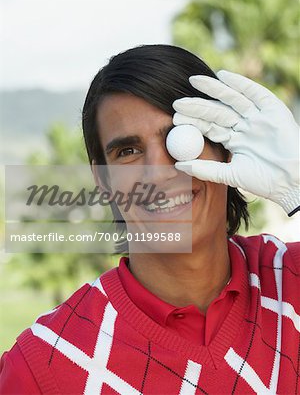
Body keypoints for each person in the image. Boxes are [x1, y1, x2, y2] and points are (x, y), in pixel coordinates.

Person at [0, 44, 299, 394]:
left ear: (226, 148)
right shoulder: (42, 363)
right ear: (103, 179)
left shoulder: (293, 276)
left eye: (180, 137)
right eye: (128, 151)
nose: (158, 174)